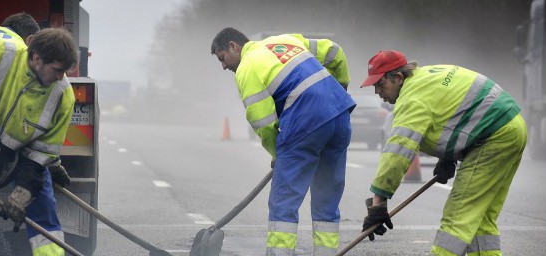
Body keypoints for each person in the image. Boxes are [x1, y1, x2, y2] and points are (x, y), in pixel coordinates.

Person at [359, 50, 527, 256]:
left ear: (398, 77)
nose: (377, 91)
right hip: (512, 126)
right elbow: (452, 112)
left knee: (458, 216)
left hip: (493, 136)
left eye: (380, 84)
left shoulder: (411, 98)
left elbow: (398, 150)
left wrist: (379, 202)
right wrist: (447, 157)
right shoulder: (426, 77)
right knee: (480, 218)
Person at [211, 27, 356, 255]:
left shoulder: (247, 68)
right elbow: (335, 52)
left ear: (233, 46)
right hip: (339, 117)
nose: (224, 66)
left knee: (284, 203)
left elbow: (264, 122)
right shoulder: (284, 41)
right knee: (326, 196)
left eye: (223, 58)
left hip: (305, 122)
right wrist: (341, 87)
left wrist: (277, 154)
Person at [0, 23, 77, 256]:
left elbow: (41, 154)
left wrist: (24, 192)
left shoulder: (63, 95)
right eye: (57, 69)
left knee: (43, 218)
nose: (61, 77)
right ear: (37, 58)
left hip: (19, 156)